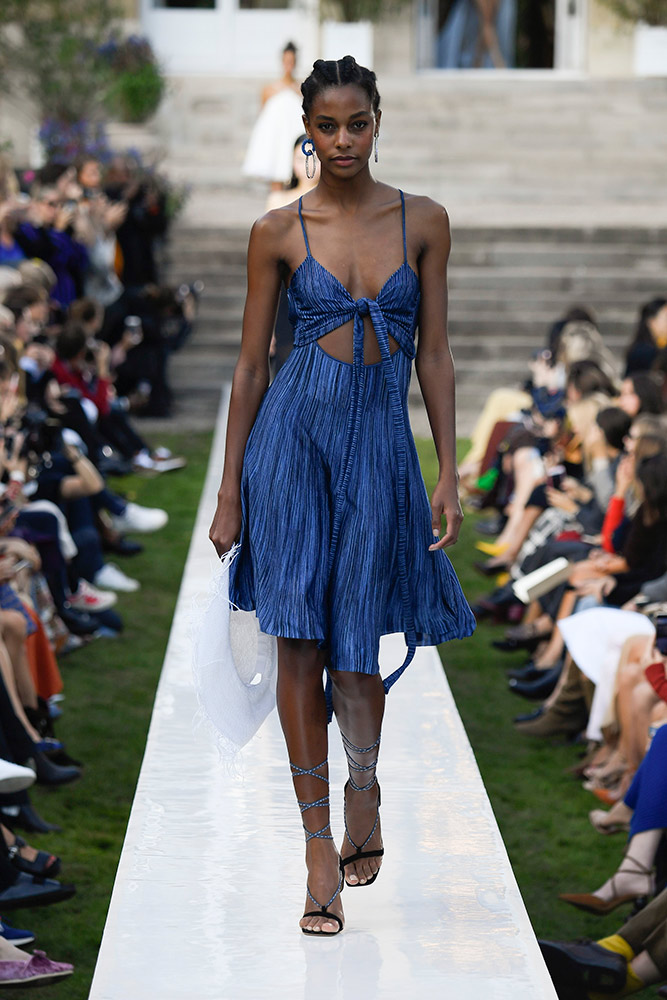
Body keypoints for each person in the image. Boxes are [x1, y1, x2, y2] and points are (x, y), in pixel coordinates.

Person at [209, 55, 475, 936]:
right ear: (307, 131)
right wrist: (228, 492)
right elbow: (251, 368)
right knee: (299, 643)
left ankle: (364, 782)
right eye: (326, 126)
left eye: (356, 123)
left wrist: (447, 468)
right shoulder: (277, 230)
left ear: (376, 121)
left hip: (378, 452)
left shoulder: (423, 221)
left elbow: (434, 352)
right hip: (291, 449)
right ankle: (317, 846)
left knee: (356, 652)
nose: (343, 140)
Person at [242, 42, 305, 192]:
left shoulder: (301, 89)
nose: (289, 65)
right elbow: (264, 119)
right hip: (276, 140)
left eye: (292, 62)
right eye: (286, 61)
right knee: (277, 178)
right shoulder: (269, 89)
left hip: (294, 137)